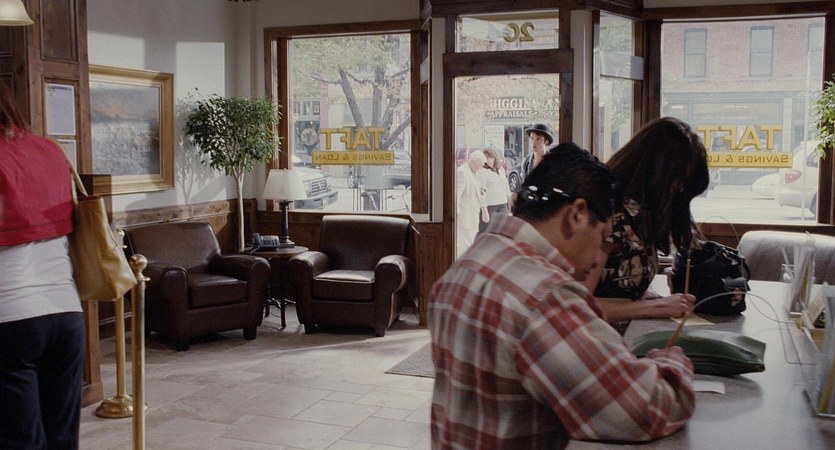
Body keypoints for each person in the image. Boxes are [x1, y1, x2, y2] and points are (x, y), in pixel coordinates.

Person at [431, 143, 695, 449]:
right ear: (577, 215)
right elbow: (640, 409)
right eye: (603, 236)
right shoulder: (545, 296)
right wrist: (672, 360)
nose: (597, 258)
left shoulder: (467, 265)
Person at [0, 81, 85, 449]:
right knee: (62, 436)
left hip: (10, 317)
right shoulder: (49, 149)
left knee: (21, 440)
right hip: (66, 312)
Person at [585, 117, 710, 323]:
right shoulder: (610, 217)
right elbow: (576, 306)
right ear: (655, 170)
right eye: (679, 179)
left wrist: (646, 297)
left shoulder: (641, 216)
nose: (680, 189)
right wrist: (651, 307)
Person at [455, 149, 488, 258]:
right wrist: (457, 214)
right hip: (464, 219)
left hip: (472, 218)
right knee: (463, 248)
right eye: (479, 166)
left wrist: (484, 210)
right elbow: (457, 195)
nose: (480, 168)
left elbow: (480, 193)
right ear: (473, 162)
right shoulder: (462, 172)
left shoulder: (475, 173)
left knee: (469, 246)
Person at [477, 147, 511, 233]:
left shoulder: (500, 169)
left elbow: (506, 187)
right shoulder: (482, 171)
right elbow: (481, 192)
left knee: (503, 231)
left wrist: (509, 204)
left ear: (495, 158)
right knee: (486, 232)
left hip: (503, 204)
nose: (489, 161)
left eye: (491, 158)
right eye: (486, 158)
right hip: (490, 206)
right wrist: (484, 210)